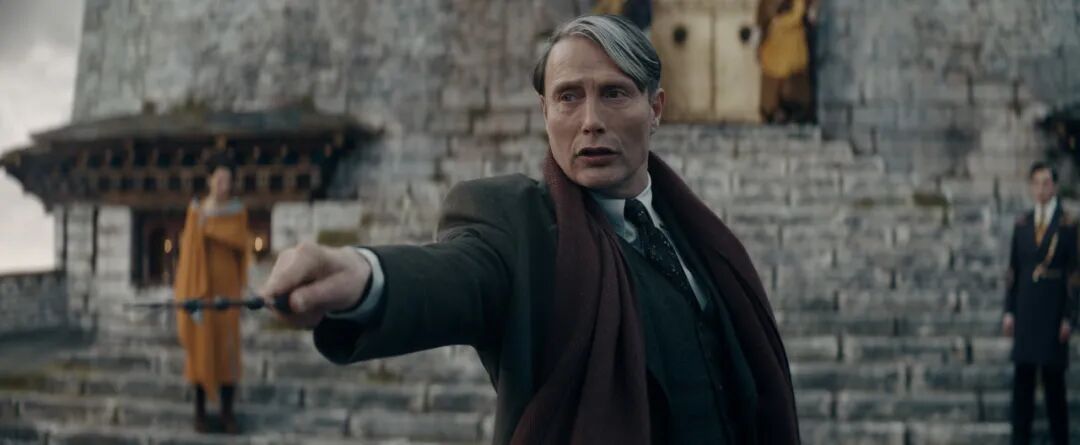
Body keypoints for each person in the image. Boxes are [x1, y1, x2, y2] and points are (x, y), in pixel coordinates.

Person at [261, 15, 798, 444]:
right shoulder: (520, 228)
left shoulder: (703, 241)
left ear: (655, 109)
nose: (590, 120)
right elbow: (458, 276)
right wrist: (366, 277)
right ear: (545, 112)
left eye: (614, 93)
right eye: (569, 97)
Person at [173, 155, 250, 434]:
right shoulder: (197, 212)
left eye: (227, 180)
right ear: (209, 180)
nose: (222, 185)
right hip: (202, 290)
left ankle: (228, 413)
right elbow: (188, 253)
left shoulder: (237, 212)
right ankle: (200, 413)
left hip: (228, 289)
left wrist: (243, 286)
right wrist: (188, 291)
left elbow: (242, 248)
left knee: (228, 351)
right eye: (218, 179)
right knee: (201, 349)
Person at [1003, 161, 1078, 445]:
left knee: (1053, 385)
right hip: (1025, 312)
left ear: (1054, 186)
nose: (1041, 188)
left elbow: (1075, 275)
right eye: (1036, 183)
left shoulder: (1068, 225)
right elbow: (1013, 271)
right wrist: (1009, 311)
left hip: (1052, 313)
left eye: (1046, 183)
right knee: (1022, 384)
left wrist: (1069, 317)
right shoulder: (1022, 224)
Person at [757, 0, 814, 123]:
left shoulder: (776, 21)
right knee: (788, 96)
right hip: (787, 65)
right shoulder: (781, 18)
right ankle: (781, 114)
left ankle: (781, 114)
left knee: (787, 96)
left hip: (784, 65)